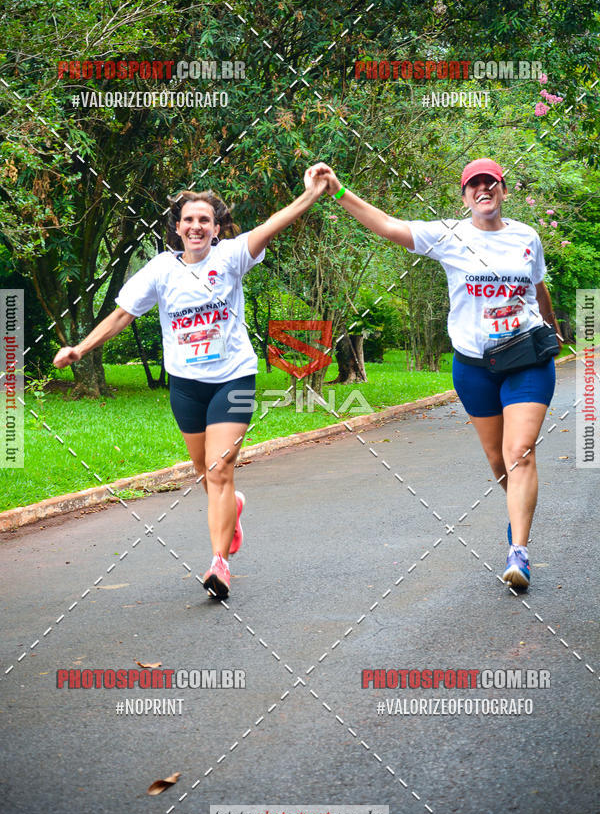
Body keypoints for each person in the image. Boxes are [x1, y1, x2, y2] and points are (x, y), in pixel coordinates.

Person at [53, 169, 328, 599]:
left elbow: (274, 224)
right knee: (204, 472)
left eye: (205, 220)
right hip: (185, 385)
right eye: (188, 220)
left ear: (216, 229)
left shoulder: (231, 257)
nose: (196, 226)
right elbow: (122, 314)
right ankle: (232, 507)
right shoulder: (161, 269)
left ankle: (219, 564)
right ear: (177, 228)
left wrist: (310, 195)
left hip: (233, 378)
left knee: (219, 469)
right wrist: (80, 349)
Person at [309, 158, 561, 590]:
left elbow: (538, 287)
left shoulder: (526, 237)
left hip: (527, 360)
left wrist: (553, 331)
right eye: (474, 185)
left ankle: (518, 551)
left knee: (519, 451)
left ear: (503, 191)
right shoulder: (449, 236)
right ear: (464, 197)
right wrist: (338, 190)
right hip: (474, 366)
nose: (483, 189)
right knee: (497, 459)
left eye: (491, 183)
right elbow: (388, 225)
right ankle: (519, 509)